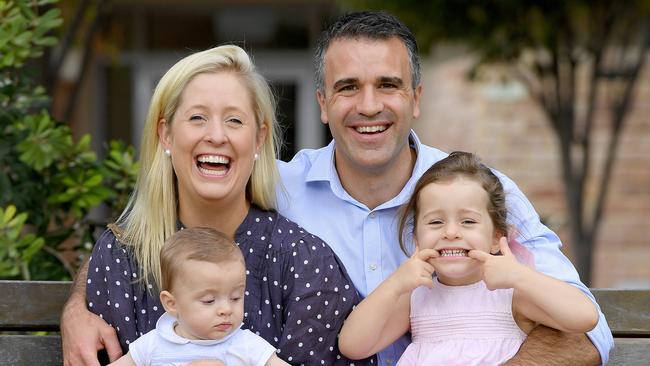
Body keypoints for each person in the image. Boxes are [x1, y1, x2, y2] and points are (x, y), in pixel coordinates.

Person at [275, 11, 613, 365]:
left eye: (388, 85)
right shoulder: (279, 190)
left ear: (416, 98)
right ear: (322, 104)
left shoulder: (480, 189)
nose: (369, 106)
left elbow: (589, 330)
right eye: (348, 87)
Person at [61, 44, 371, 366]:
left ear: (259, 139)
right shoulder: (121, 258)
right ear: (165, 135)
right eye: (197, 117)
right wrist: (73, 306)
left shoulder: (301, 260)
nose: (217, 135)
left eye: (235, 120)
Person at [336, 152, 599, 365]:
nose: (451, 233)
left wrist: (519, 275)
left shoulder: (510, 294)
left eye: (468, 221)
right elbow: (353, 345)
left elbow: (584, 317)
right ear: (416, 239)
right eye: (436, 222)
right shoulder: (417, 297)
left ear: (497, 236)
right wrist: (395, 284)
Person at [109, 227, 289, 366]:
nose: (226, 309)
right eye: (209, 301)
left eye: (235, 298)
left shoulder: (246, 345)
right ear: (172, 303)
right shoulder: (152, 345)